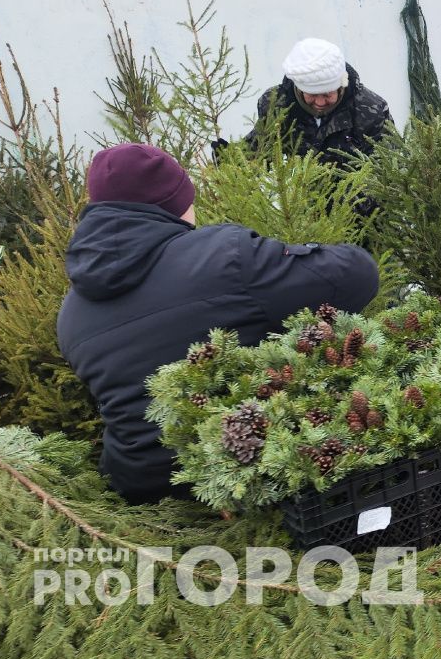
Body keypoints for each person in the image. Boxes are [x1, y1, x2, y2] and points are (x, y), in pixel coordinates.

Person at [57, 144, 379, 504]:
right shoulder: (226, 255)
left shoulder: (71, 313)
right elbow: (357, 274)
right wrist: (294, 252)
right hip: (248, 479)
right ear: (176, 203)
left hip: (140, 494)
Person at [242, 38, 394, 170]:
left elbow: (386, 170)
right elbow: (256, 152)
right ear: (299, 89)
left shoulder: (371, 111)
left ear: (341, 85)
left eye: (328, 94)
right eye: (312, 95)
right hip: (301, 192)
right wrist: (230, 163)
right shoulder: (277, 104)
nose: (320, 103)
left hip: (356, 193)